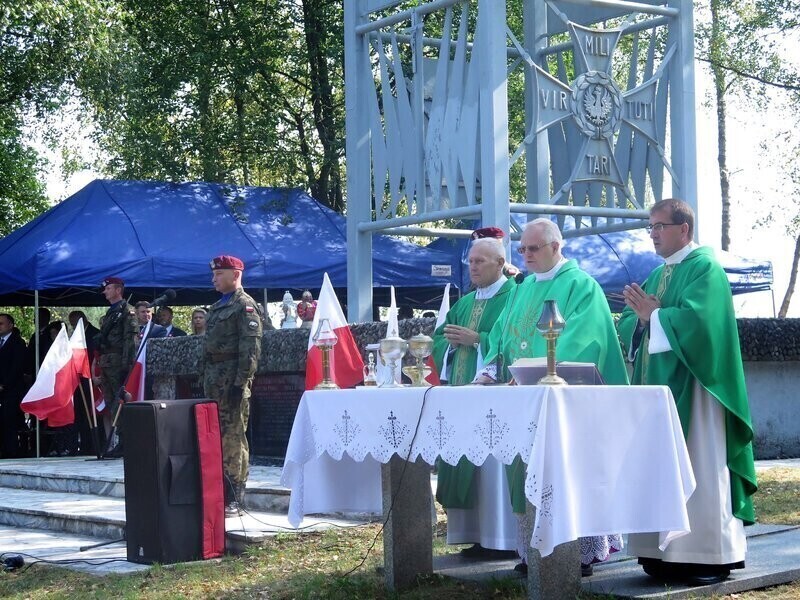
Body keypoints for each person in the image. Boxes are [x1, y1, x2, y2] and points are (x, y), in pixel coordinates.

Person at [476, 218, 629, 575]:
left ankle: (577, 552)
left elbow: (586, 339)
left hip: (567, 403)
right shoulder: (522, 288)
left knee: (567, 471)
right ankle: (534, 553)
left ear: (556, 247)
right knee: (526, 472)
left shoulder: (581, 285)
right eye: (523, 249)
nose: (526, 255)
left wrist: (542, 370)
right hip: (524, 400)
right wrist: (490, 370)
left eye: (534, 248)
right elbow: (502, 335)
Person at [617, 198, 757, 586]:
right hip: (657, 392)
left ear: (685, 229)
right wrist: (643, 320)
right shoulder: (657, 274)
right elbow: (631, 321)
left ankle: (705, 554)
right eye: (651, 227)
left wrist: (656, 316)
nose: (654, 233)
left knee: (698, 462)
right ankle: (659, 552)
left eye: (660, 226)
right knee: (659, 466)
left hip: (696, 390)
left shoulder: (705, 268)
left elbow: (702, 324)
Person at [432, 229, 519, 558]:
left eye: (480, 261)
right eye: (470, 262)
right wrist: (451, 344)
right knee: (465, 459)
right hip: (461, 394)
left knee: (493, 465)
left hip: (497, 398)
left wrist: (478, 340)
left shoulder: (515, 296)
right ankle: (473, 534)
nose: (473, 267)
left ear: (500, 263)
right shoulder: (464, 302)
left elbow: (513, 341)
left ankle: (502, 537)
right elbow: (440, 339)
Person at [203, 255, 263, 516]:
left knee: (233, 437)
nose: (214, 278)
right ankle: (219, 490)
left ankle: (235, 495)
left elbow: (250, 349)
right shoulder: (218, 307)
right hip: (214, 380)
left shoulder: (245, 306)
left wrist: (241, 383)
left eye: (219, 274)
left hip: (232, 383)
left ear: (235, 274)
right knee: (216, 436)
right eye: (214, 274)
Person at [97, 276, 138, 457]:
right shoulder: (111, 312)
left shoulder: (127, 312)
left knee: (119, 403)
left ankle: (126, 441)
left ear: (118, 290)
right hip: (107, 362)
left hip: (118, 362)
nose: (104, 291)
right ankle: (120, 442)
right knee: (111, 403)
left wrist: (126, 366)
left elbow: (130, 340)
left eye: (108, 288)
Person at [68, 311, 102, 456]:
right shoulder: (75, 336)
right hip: (79, 381)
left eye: (76, 323)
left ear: (84, 320)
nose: (74, 326)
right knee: (81, 415)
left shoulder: (95, 334)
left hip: (91, 380)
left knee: (93, 413)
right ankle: (84, 445)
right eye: (72, 324)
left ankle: (95, 445)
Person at [0, 314, 28, 458]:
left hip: (12, 389)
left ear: (10, 325)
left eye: (1, 324)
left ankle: (12, 451)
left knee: (10, 420)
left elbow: (16, 367)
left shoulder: (18, 342)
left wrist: (4, 384)